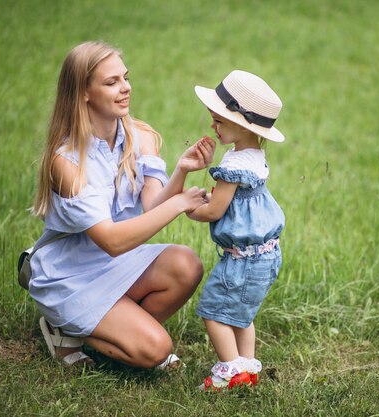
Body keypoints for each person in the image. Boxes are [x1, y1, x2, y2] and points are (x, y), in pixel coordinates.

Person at [28, 40, 216, 368]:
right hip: (70, 275)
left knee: (186, 264)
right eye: (111, 82)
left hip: (115, 266)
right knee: (156, 349)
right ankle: (65, 327)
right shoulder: (67, 162)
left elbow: (153, 203)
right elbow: (113, 241)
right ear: (83, 92)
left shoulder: (139, 135)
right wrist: (179, 204)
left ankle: (110, 330)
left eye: (125, 78)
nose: (125, 88)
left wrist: (182, 172)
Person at [187, 70, 285, 390]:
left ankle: (229, 372)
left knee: (214, 313)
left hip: (241, 260)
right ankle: (247, 370)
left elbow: (216, 210)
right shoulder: (254, 155)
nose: (212, 127)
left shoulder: (231, 167)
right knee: (242, 313)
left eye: (218, 121)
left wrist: (188, 207)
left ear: (242, 124)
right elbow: (235, 202)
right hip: (265, 254)